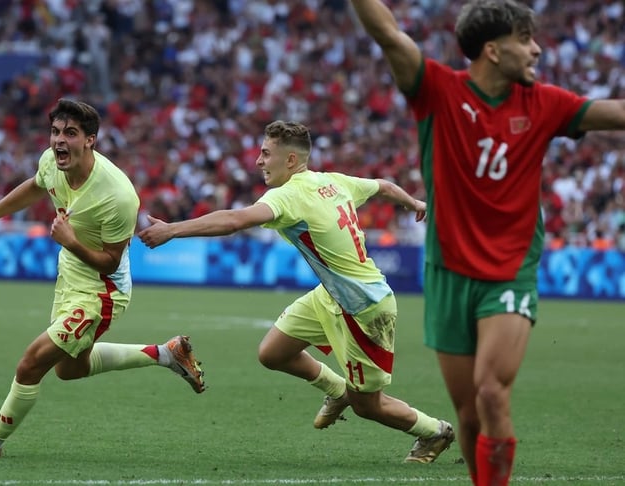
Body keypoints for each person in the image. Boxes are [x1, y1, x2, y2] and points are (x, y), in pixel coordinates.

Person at [348, 1, 625, 484]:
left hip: (509, 272)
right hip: (449, 273)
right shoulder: (437, 91)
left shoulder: (546, 103)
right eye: (525, 38)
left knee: (493, 393)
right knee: (471, 414)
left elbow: (616, 114)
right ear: (494, 51)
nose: (536, 49)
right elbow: (390, 35)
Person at [139, 120, 455, 464]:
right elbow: (382, 186)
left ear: (291, 160)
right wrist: (414, 203)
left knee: (368, 405)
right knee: (273, 353)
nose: (259, 161)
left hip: (366, 309)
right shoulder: (332, 180)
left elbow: (234, 220)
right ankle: (337, 391)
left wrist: (173, 230)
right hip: (331, 295)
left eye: (265, 153)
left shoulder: (289, 195)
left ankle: (434, 431)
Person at [0, 98, 206, 459]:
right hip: (70, 276)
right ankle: (165, 354)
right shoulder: (51, 162)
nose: (58, 141)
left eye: (70, 133)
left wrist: (70, 241)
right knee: (69, 368)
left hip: (102, 291)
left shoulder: (118, 195)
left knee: (32, 363)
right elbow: (36, 185)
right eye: (55, 132)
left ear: (90, 140)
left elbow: (110, 263)